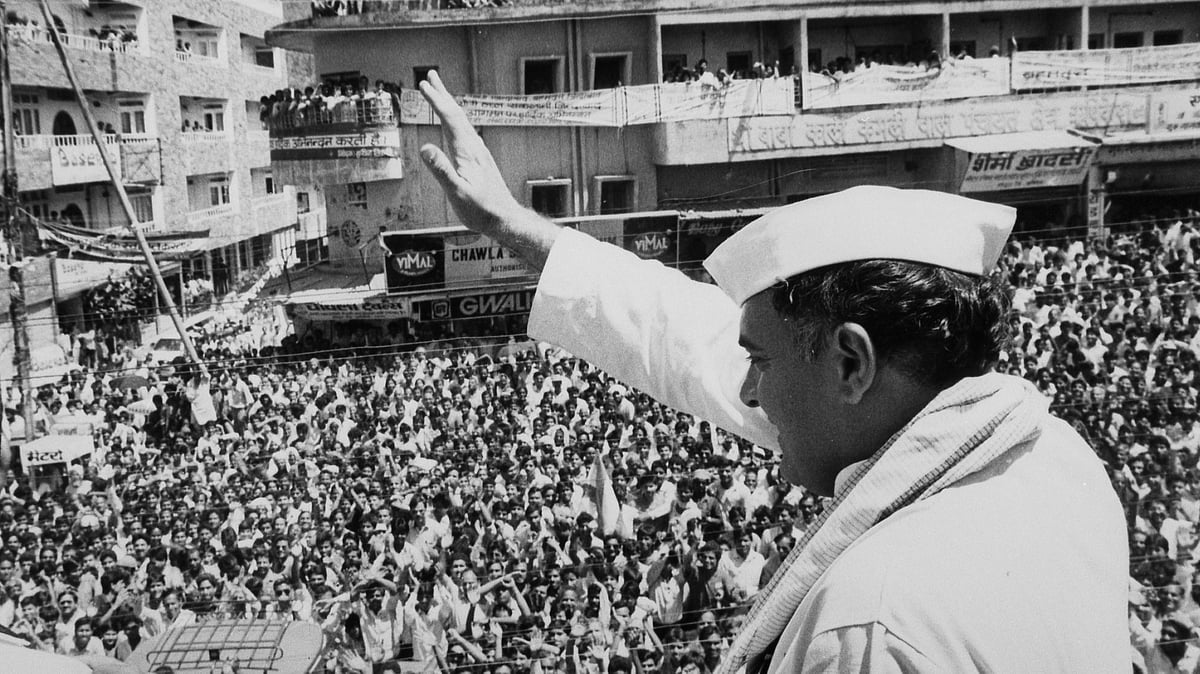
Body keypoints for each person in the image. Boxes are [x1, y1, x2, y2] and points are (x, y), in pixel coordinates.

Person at [415, 70, 1128, 672]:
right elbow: (687, 339)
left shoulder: (870, 628)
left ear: (851, 363)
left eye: (759, 361)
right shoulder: (1055, 460)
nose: (748, 389)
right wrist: (511, 224)